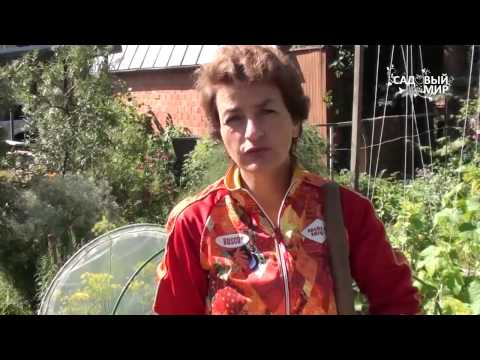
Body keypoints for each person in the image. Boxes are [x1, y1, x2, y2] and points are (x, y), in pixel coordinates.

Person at [153, 45, 421, 315]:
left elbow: (398, 301)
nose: (252, 132)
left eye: (267, 112)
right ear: (219, 132)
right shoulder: (196, 223)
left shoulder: (343, 210)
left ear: (295, 121)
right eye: (234, 118)